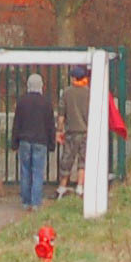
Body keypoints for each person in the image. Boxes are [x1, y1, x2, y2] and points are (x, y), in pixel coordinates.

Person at [11, 73, 55, 210]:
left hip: (24, 140)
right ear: (41, 85)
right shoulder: (46, 103)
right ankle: (36, 202)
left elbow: (16, 123)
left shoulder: (22, 101)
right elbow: (50, 125)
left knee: (25, 171)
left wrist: (14, 142)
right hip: (40, 141)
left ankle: (25, 201)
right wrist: (52, 143)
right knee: (37, 171)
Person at [56, 65, 90, 198]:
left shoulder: (67, 93)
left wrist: (59, 130)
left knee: (67, 160)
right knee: (83, 161)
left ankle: (62, 187)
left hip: (71, 133)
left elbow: (61, 116)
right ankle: (80, 187)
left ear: (74, 78)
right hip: (85, 132)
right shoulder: (89, 92)